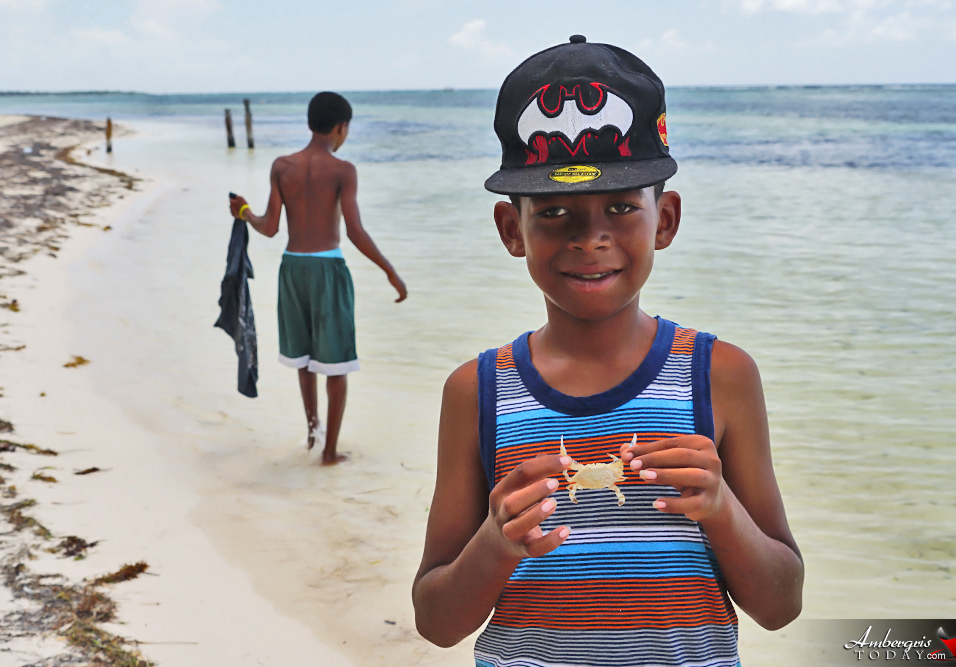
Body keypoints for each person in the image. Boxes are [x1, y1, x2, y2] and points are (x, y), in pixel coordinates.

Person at [412, 36, 803, 666]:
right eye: (556, 212)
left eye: (622, 208)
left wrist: (720, 506)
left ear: (665, 220)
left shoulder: (720, 376)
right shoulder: (477, 391)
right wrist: (498, 540)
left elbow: (781, 605)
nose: (590, 238)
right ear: (512, 229)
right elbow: (435, 619)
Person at [230, 92, 407, 465]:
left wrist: (244, 211)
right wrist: (389, 270)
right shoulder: (343, 171)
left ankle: (313, 433)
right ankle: (329, 452)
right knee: (336, 365)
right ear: (341, 127)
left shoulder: (282, 166)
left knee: (306, 361)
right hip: (327, 270)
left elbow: (270, 226)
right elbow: (355, 232)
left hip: (292, 269)